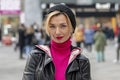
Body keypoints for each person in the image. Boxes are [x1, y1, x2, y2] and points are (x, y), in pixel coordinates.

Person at [22, 4, 91, 80]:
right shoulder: (36, 56)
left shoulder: (82, 62)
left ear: (71, 28)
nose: (57, 32)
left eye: (63, 26)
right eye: (52, 26)